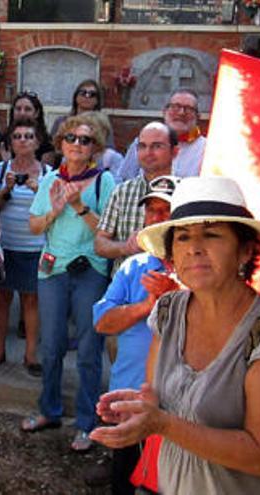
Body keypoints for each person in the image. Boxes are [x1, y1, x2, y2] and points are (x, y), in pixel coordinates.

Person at [91, 176, 260, 494]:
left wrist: (161, 423)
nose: (194, 248)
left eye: (211, 235)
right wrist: (140, 406)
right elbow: (157, 392)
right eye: (182, 237)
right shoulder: (168, 311)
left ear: (245, 251)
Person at [20, 115, 115, 452]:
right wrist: (55, 211)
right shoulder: (50, 182)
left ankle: (87, 423)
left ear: (95, 148)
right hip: (52, 271)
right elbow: (34, 226)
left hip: (90, 269)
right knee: (52, 345)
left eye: (85, 140)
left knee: (90, 350)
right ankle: (50, 410)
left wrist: (78, 206)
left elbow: (108, 231)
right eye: (71, 137)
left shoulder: (105, 182)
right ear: (61, 143)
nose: (77, 144)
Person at [90, 175, 180, 494]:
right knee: (124, 482)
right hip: (130, 398)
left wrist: (176, 296)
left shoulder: (199, 270)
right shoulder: (133, 267)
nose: (157, 218)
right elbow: (102, 323)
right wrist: (146, 306)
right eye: (151, 210)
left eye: (166, 210)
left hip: (178, 407)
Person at [0, 118, 46, 377]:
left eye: (28, 136)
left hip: (34, 246)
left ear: (37, 142)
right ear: (10, 142)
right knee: (1, 299)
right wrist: (6, 189)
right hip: (5, 245)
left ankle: (30, 355)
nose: (22, 141)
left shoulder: (49, 172)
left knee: (31, 300)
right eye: (17, 136)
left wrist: (37, 188)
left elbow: (52, 210)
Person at [95, 121, 178, 277]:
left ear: (175, 151)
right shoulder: (122, 191)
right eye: (142, 146)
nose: (148, 152)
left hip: (172, 285)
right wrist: (126, 247)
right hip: (125, 285)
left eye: (157, 146)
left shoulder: (185, 192)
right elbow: (100, 244)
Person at [115, 88, 207, 182]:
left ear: (198, 117)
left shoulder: (208, 150)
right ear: (164, 112)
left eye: (189, 109)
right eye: (175, 106)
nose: (181, 113)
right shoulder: (142, 142)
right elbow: (125, 179)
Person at [0, 91, 55, 176]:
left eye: (27, 109)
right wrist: (6, 164)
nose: (22, 113)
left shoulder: (46, 141)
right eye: (18, 109)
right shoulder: (0, 139)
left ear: (37, 113)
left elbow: (46, 176)